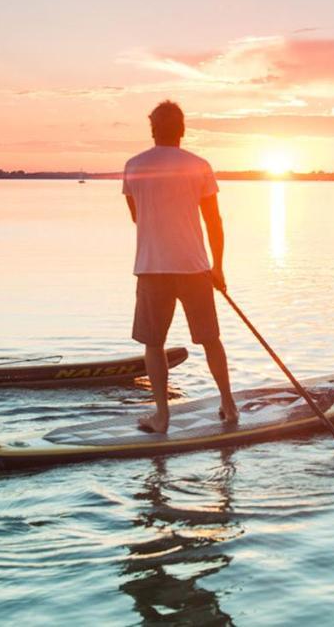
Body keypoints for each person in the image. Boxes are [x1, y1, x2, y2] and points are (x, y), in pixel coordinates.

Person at [122, 100, 237, 433]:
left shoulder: (133, 165)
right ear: (182, 131)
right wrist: (219, 267)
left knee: (154, 343)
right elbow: (214, 221)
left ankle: (162, 417)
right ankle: (228, 404)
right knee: (210, 339)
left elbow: (136, 217)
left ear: (153, 129)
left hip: (152, 266)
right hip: (194, 268)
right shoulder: (199, 165)